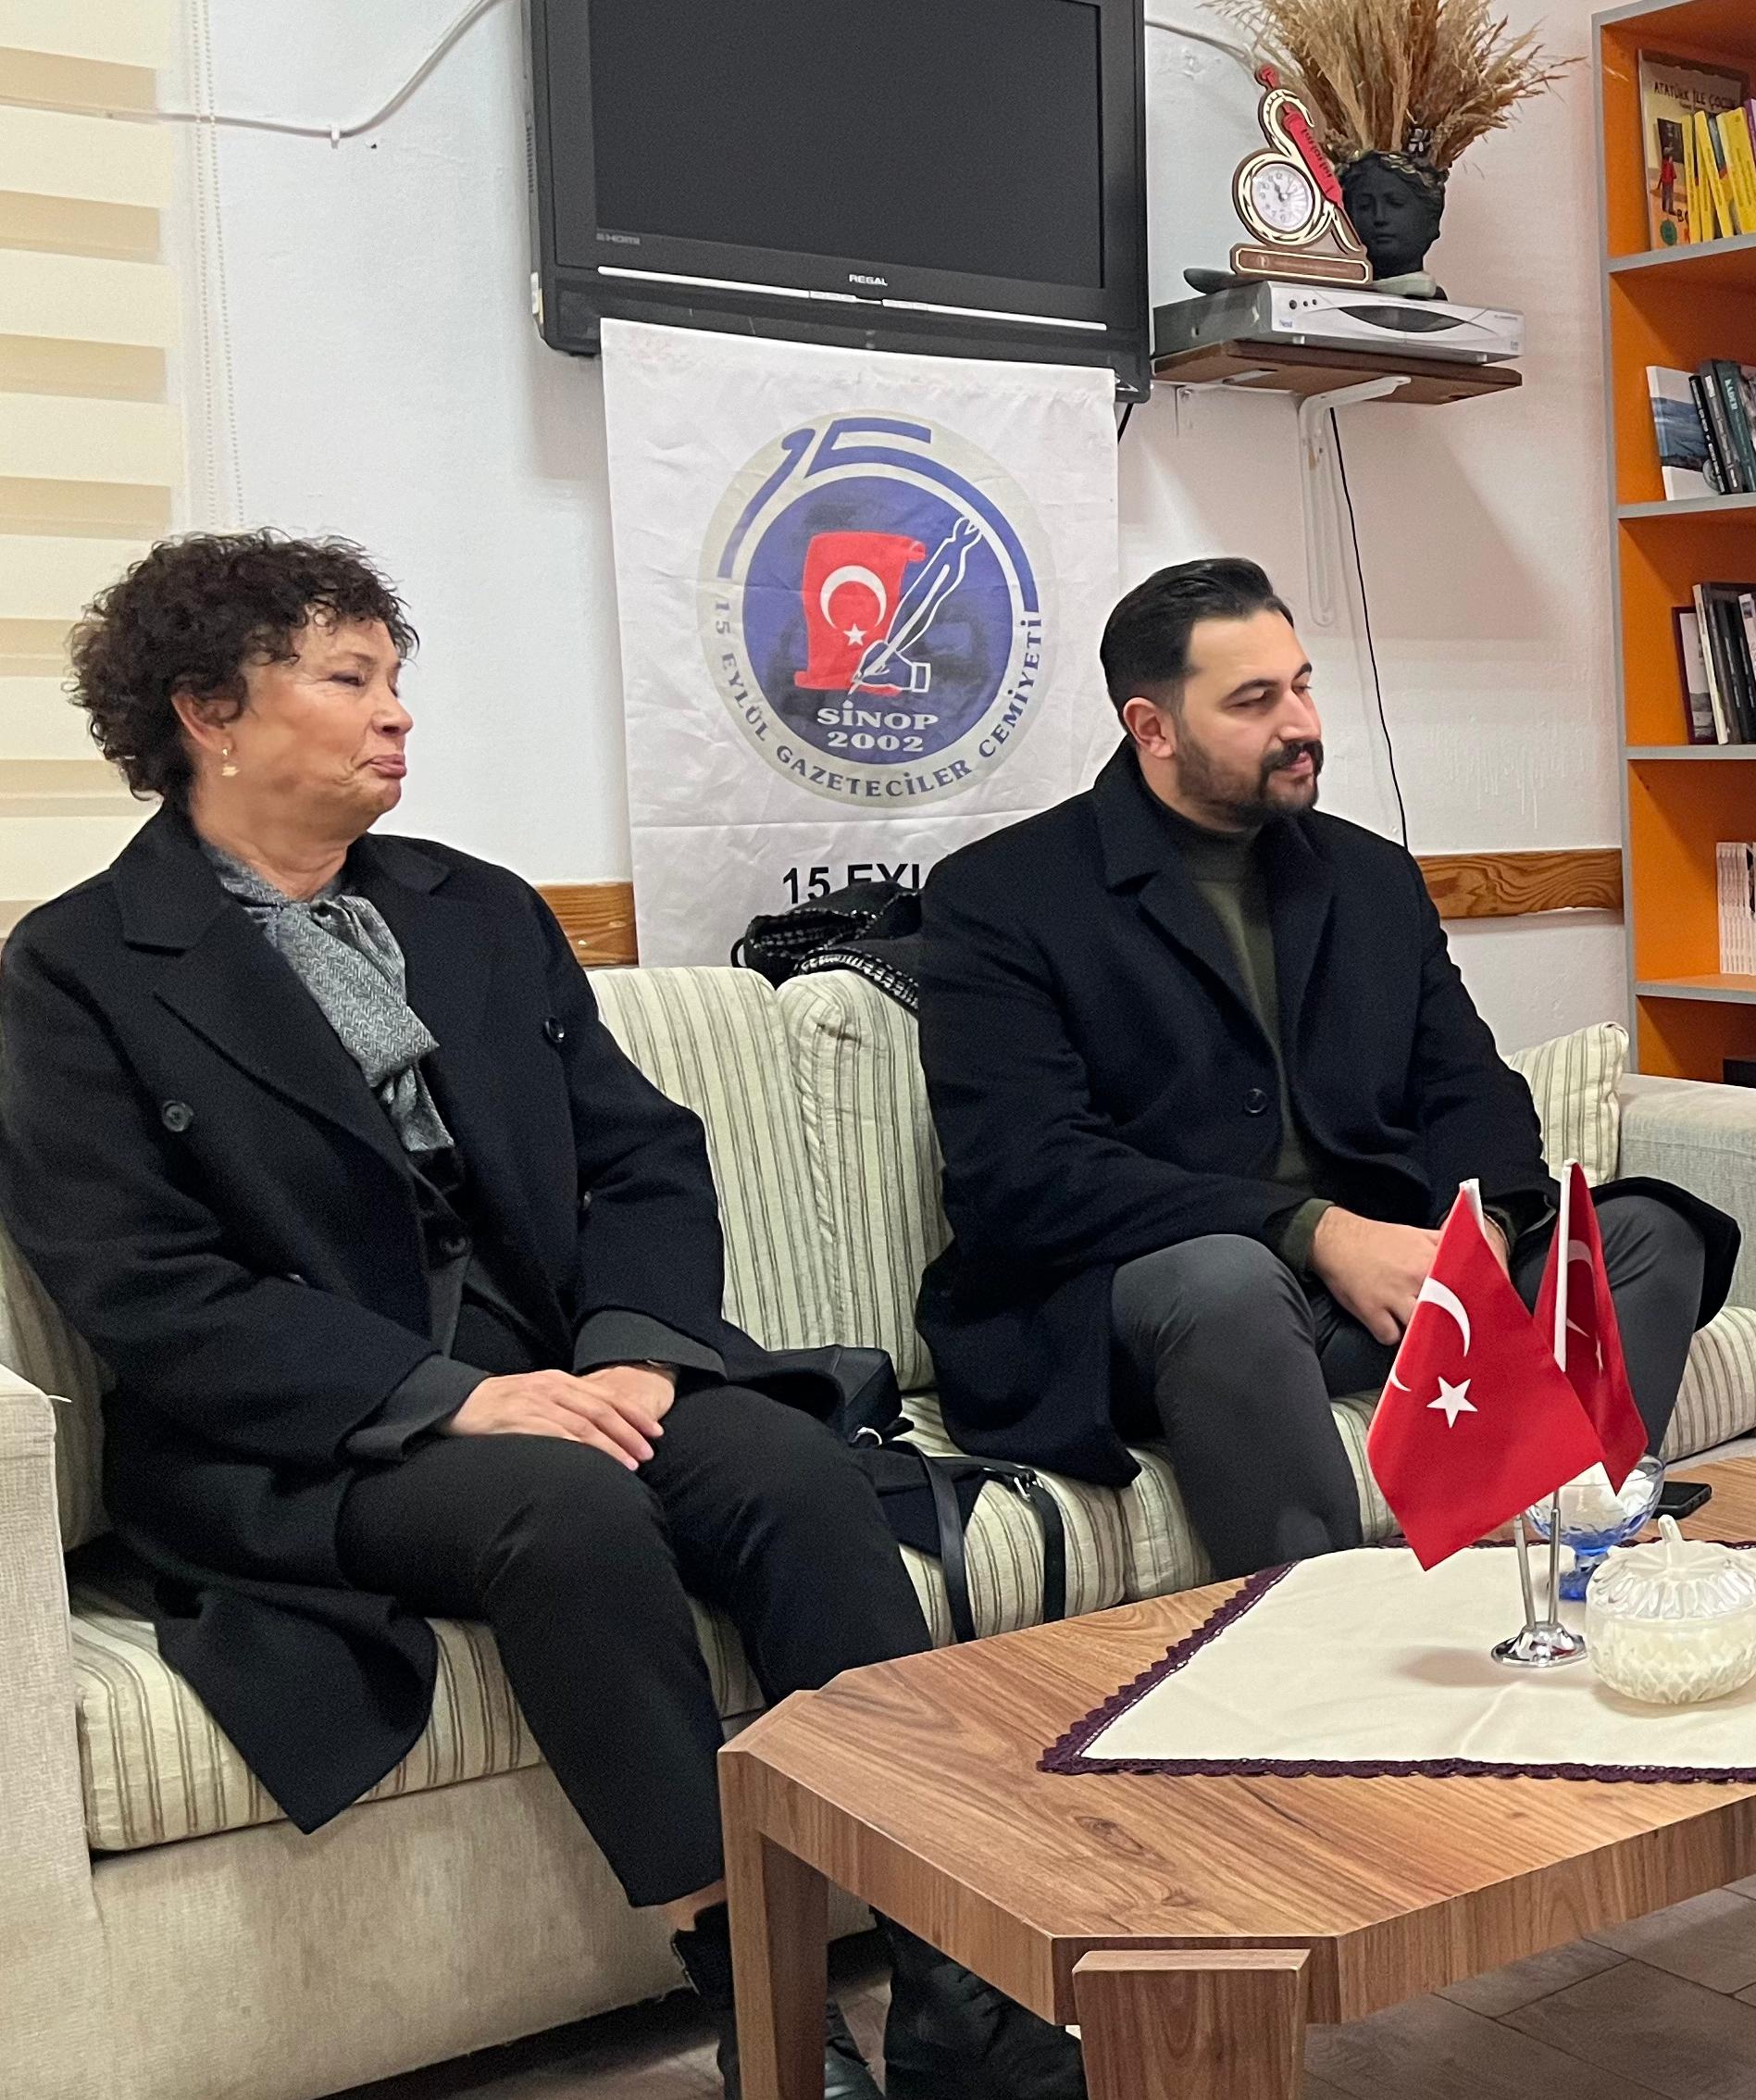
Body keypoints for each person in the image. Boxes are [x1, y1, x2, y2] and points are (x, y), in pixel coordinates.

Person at [0, 533, 1082, 2100]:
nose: (397, 713)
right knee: (564, 1513)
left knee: (793, 1474)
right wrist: (445, 1397)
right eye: (349, 678)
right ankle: (763, 2006)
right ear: (208, 712)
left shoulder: (477, 910)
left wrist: (634, 1343)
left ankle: (948, 1974)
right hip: (314, 1429)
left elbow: (643, 1154)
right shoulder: (79, 967)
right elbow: (144, 1287)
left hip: (573, 1366)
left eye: (396, 677)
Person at [911, 557, 1737, 1571]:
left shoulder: (1368, 876)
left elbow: (1468, 1089)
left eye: (1302, 685)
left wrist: (1478, 1236)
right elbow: (1029, 1175)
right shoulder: (1004, 896)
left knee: (1645, 1233)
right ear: (1152, 727)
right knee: (1229, 1282)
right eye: (1254, 701)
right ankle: (1318, 1617)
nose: (1300, 723)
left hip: (1373, 1292)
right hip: (1143, 1307)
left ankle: (1565, 1549)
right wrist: (1318, 1233)